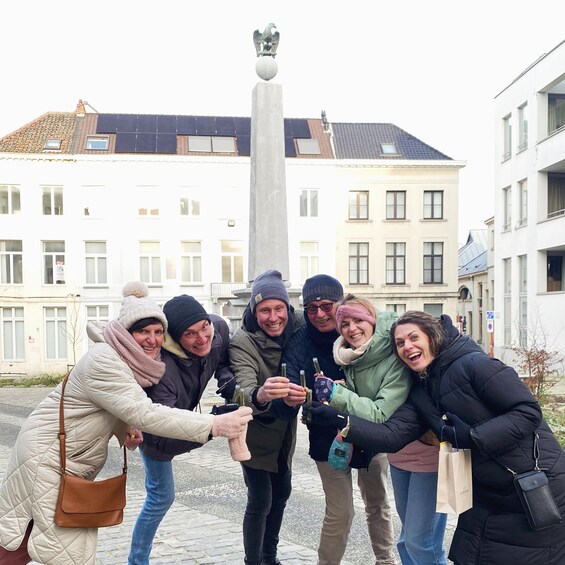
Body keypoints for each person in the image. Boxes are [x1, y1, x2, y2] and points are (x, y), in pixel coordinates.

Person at [0, 282, 252, 565]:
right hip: (46, 458)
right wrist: (214, 425)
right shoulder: (105, 360)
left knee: (23, 538)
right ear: (125, 333)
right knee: (58, 549)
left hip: (63, 457)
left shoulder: (129, 361)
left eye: (158, 332)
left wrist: (124, 428)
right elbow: (145, 412)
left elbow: (110, 404)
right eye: (143, 331)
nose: (152, 339)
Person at [309, 310, 565, 564]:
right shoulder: (422, 389)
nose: (407, 346)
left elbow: (528, 411)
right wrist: (340, 421)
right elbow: (393, 436)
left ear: (432, 336)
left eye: (413, 337)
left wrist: (474, 436)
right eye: (400, 343)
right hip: (486, 490)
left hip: (534, 484)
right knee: (469, 555)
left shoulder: (475, 364)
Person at [128, 294, 243, 565]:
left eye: (203, 327)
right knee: (160, 497)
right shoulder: (161, 373)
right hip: (156, 434)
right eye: (190, 334)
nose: (202, 338)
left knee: (161, 497)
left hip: (186, 419)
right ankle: (136, 561)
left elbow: (223, 354)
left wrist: (226, 379)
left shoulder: (219, 329)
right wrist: (213, 425)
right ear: (176, 338)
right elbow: (163, 438)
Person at [310, 294, 412, 565]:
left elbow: (380, 413)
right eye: (345, 324)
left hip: (377, 439)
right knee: (342, 512)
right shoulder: (351, 353)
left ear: (371, 320)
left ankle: (385, 561)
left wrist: (336, 395)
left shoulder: (392, 356)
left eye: (358, 320)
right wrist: (340, 388)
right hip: (351, 435)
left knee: (377, 504)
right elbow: (359, 394)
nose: (352, 328)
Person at [229, 269, 305, 565]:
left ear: (288, 308)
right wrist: (262, 393)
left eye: (278, 308)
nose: (273, 317)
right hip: (256, 435)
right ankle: (254, 561)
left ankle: (270, 559)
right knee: (260, 500)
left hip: (285, 434)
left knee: (282, 493)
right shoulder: (243, 341)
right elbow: (243, 389)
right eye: (264, 310)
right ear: (254, 311)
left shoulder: (299, 328)